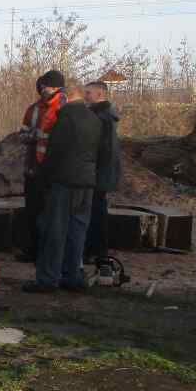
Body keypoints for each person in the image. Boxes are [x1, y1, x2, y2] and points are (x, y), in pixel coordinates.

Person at [24, 81, 101, 293]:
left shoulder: (65, 119)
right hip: (87, 182)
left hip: (64, 182)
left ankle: (48, 279)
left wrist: (43, 178)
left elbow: (54, 153)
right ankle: (72, 276)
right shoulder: (95, 119)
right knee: (77, 231)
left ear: (67, 97)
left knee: (54, 231)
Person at [18, 70, 67, 261]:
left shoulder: (64, 108)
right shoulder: (34, 109)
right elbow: (22, 134)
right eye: (42, 86)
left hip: (54, 170)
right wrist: (34, 136)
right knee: (32, 210)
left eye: (46, 86)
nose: (43, 90)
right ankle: (32, 250)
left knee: (50, 214)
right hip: (34, 168)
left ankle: (47, 253)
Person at [84, 81, 121, 262]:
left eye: (88, 93)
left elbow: (101, 149)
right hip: (101, 171)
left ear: (99, 94)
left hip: (98, 171)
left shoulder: (101, 117)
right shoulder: (106, 115)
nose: (85, 96)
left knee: (95, 212)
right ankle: (96, 250)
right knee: (97, 211)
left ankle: (96, 251)